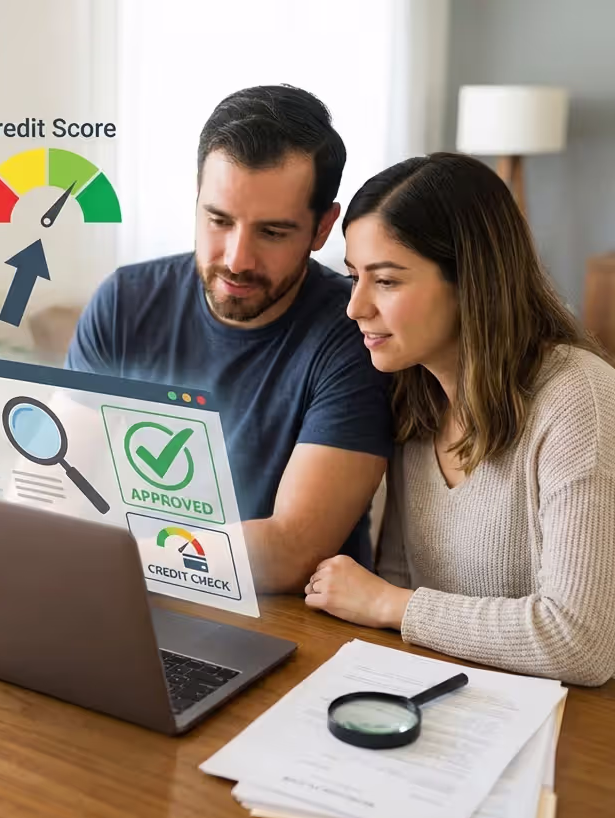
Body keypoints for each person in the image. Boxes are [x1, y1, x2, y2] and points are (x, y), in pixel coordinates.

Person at [305, 152, 615, 698]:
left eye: (387, 281)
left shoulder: (582, 401)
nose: (355, 307)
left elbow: (579, 643)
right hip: (487, 706)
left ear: (471, 281)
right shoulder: (416, 397)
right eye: (354, 277)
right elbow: (398, 574)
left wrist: (387, 604)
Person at [66, 85, 393, 593]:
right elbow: (60, 479)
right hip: (125, 596)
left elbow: (291, 550)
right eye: (218, 220)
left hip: (284, 626)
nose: (238, 259)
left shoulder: (355, 334)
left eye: (273, 232)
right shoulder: (124, 302)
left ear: (323, 227)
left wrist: (109, 557)